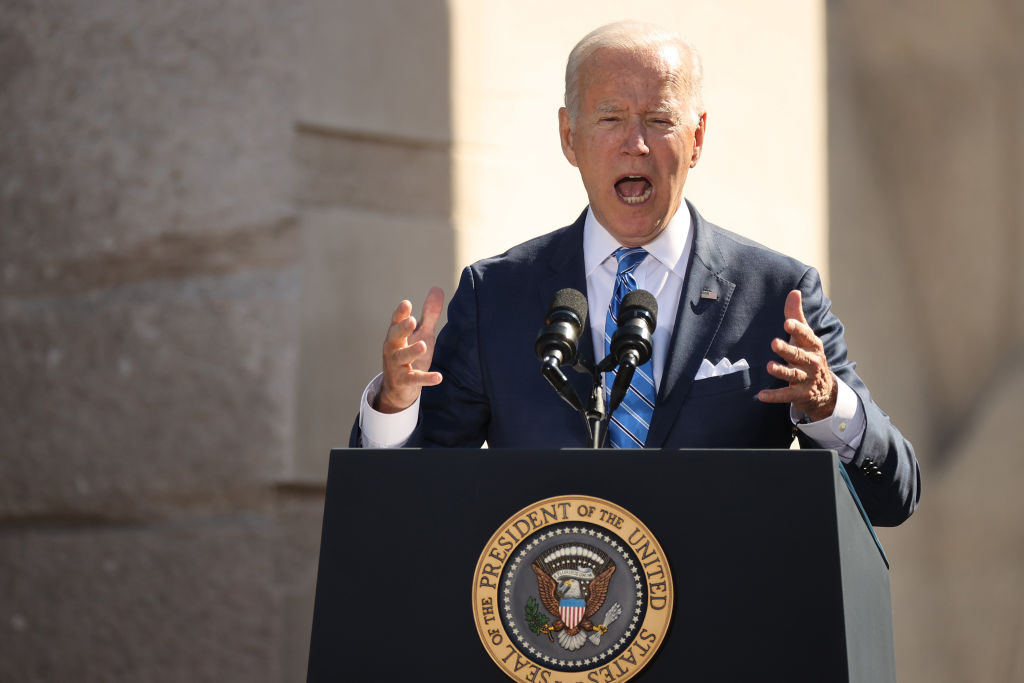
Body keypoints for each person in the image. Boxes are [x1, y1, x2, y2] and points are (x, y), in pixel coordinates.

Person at [349, 21, 920, 526]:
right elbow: (410, 503)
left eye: (659, 119)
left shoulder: (777, 294)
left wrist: (828, 407)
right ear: (569, 137)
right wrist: (396, 408)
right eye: (611, 118)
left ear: (696, 138)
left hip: (726, 632)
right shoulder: (497, 294)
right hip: (552, 629)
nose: (636, 144)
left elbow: (892, 497)